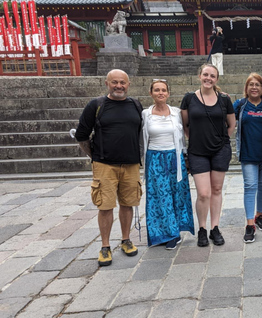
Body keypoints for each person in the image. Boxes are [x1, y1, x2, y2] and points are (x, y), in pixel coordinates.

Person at [75, 69, 143, 266]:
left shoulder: (135, 105)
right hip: (105, 165)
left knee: (128, 203)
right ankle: (105, 246)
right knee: (105, 206)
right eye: (115, 82)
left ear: (128, 84)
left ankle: (125, 239)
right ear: (107, 83)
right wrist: (94, 156)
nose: (119, 86)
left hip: (130, 163)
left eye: (122, 82)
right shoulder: (96, 105)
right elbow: (82, 135)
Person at [180, 64, 236, 247]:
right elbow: (185, 124)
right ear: (199, 76)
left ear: (216, 79)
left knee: (217, 190)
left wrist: (220, 141)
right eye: (205, 74)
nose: (208, 78)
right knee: (203, 193)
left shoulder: (224, 99)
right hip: (198, 152)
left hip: (220, 150)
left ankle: (215, 228)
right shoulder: (189, 98)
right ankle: (202, 229)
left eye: (212, 76)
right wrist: (195, 139)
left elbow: (231, 125)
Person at [142, 79, 194, 250]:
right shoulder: (145, 114)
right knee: (159, 196)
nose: (160, 93)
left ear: (168, 93)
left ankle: (175, 230)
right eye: (156, 90)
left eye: (163, 90)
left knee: (176, 194)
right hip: (155, 157)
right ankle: (164, 233)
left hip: (175, 156)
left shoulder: (176, 112)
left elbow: (183, 133)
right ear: (151, 93)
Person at [233, 73, 262, 243]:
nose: (254, 87)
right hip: (248, 154)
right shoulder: (240, 105)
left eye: (257, 84)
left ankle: (259, 215)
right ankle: (250, 224)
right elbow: (226, 115)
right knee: (250, 186)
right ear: (246, 88)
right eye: (251, 84)